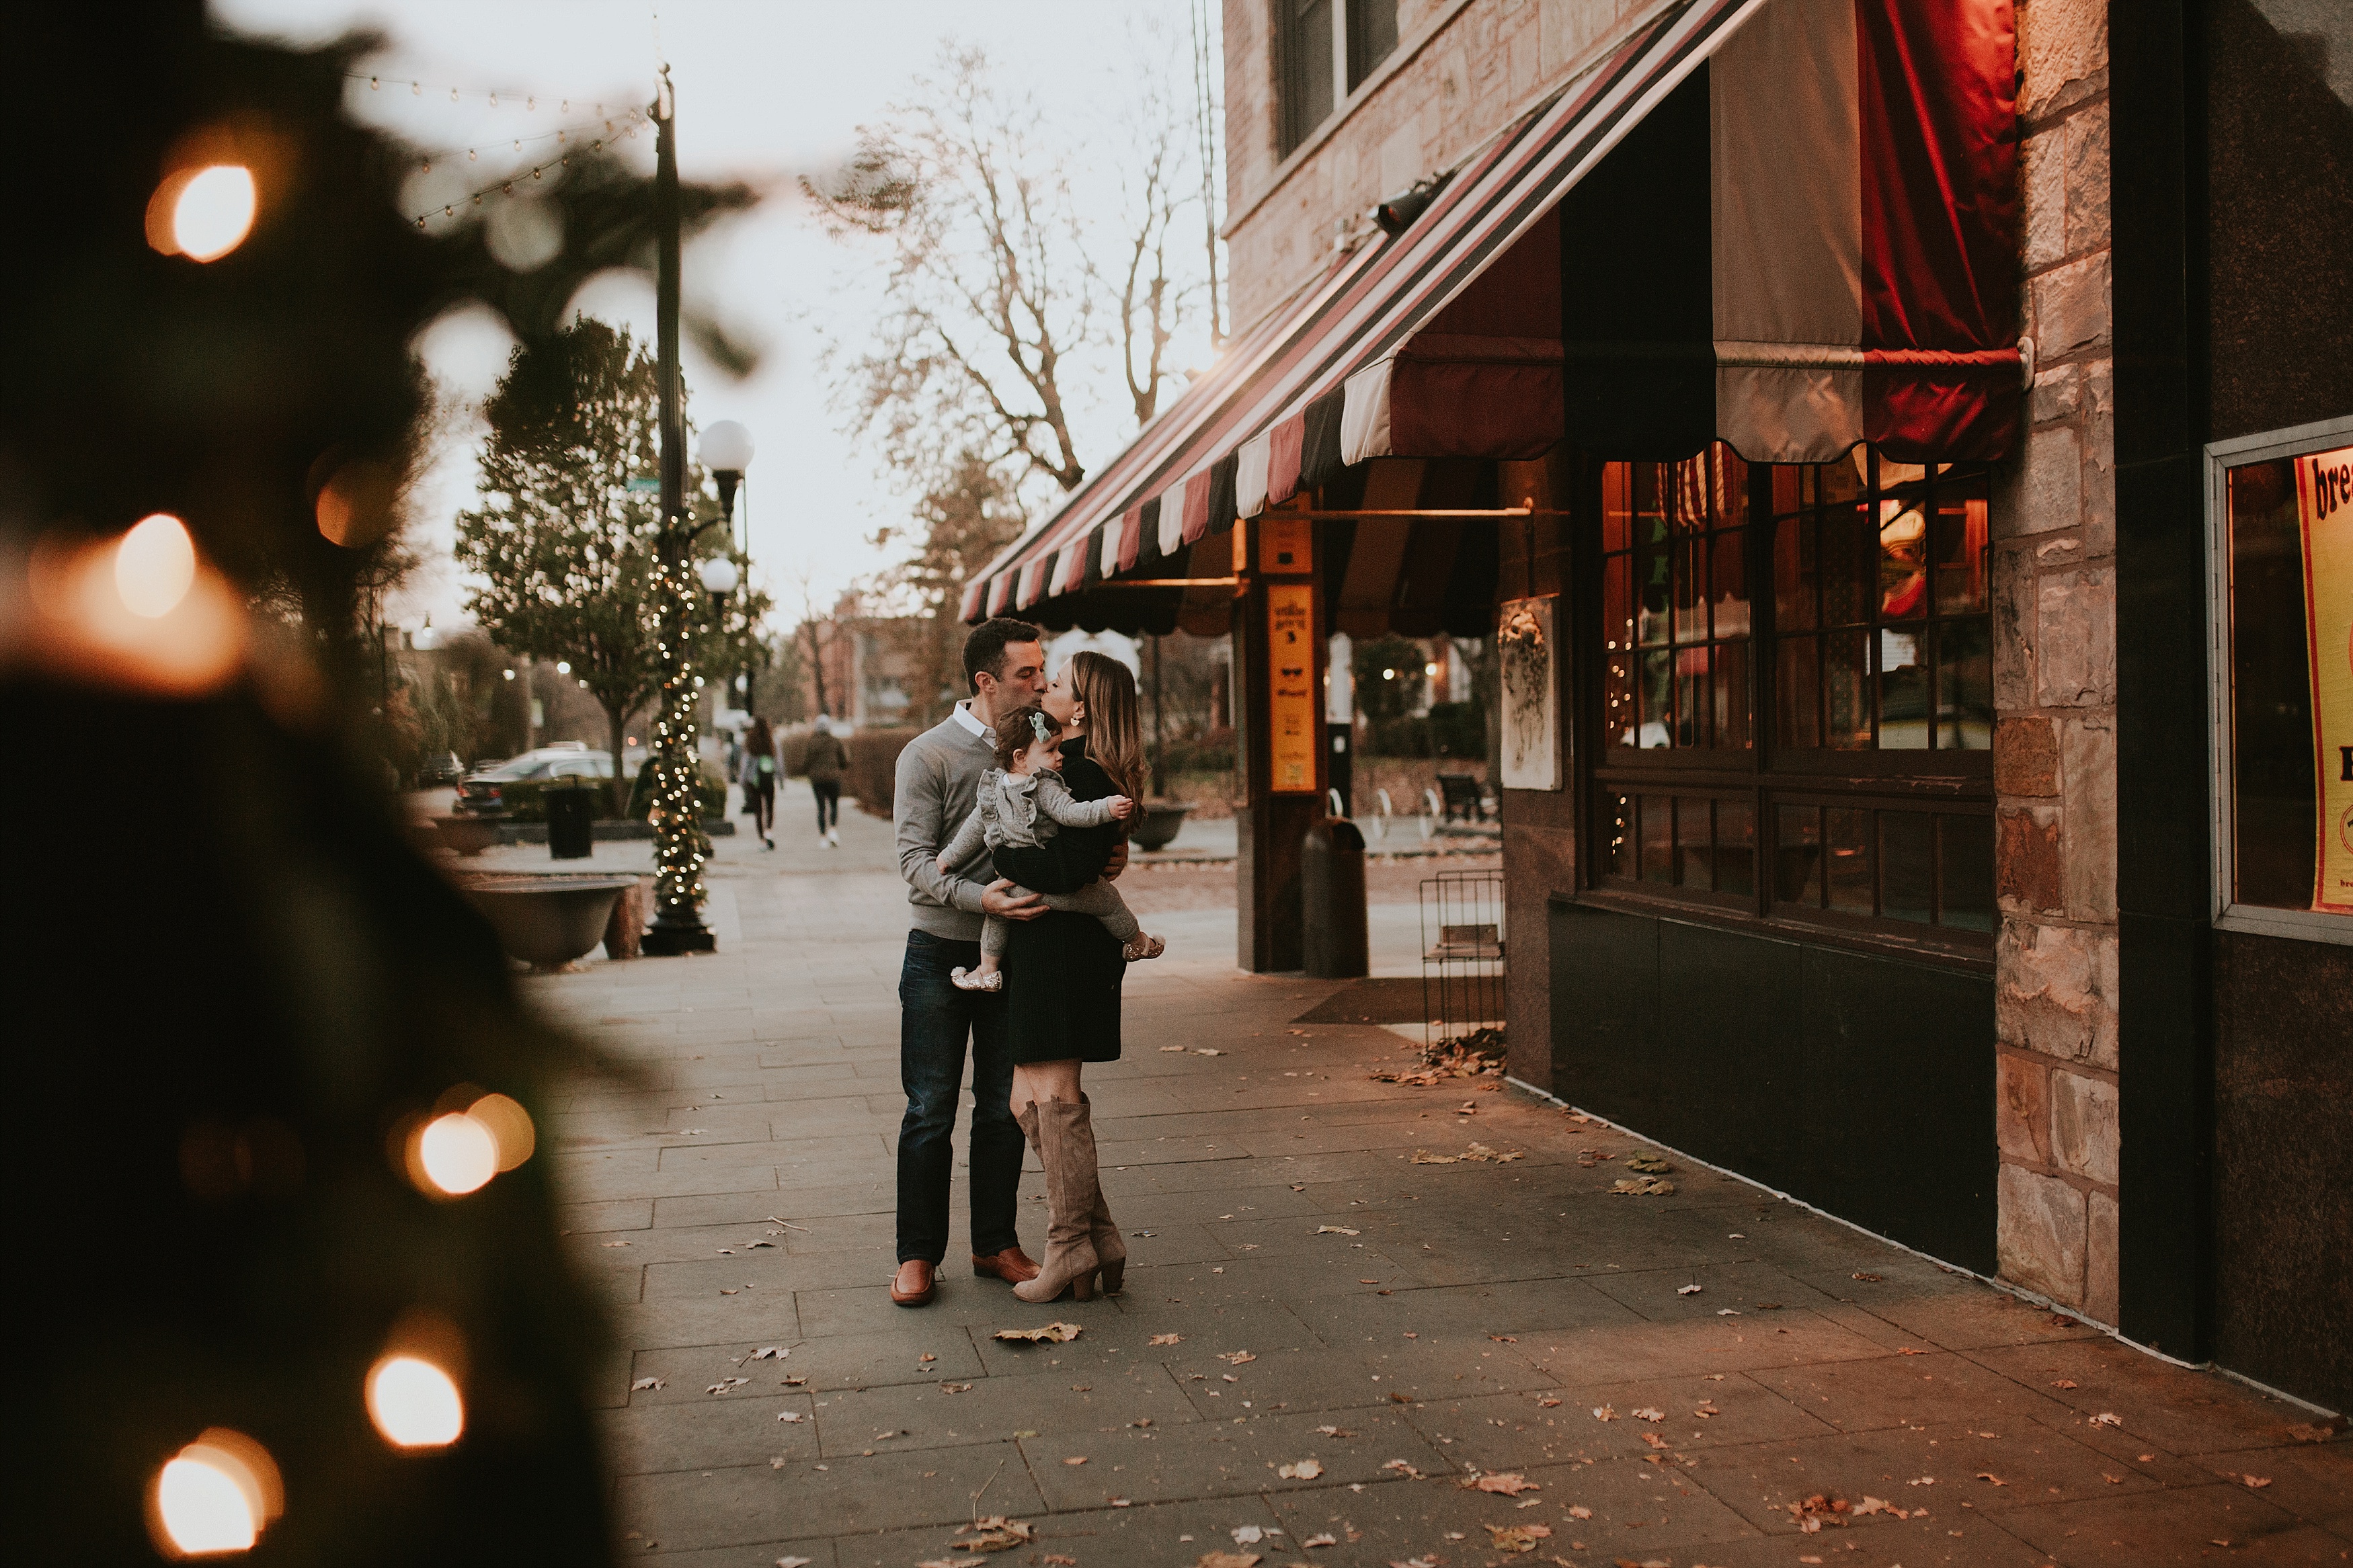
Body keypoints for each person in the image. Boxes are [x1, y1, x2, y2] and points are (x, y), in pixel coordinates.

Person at [886, 619, 1079, 1307]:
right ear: (985, 682)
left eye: (1042, 669)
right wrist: (980, 899)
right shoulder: (926, 756)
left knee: (1001, 1108)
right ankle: (916, 1256)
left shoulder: (1043, 747)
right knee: (930, 1109)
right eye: (1026, 673)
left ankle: (994, 1242)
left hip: (1017, 954)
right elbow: (913, 863)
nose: (1039, 684)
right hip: (938, 951)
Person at [991, 650, 1144, 1304]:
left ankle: (1068, 1245)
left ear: (1078, 708)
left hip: (1063, 953)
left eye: (1053, 684)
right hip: (1048, 947)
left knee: (1053, 1098)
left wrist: (1000, 853)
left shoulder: (1077, 771)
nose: (1041, 689)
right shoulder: (1069, 769)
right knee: (1026, 1102)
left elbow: (1071, 871)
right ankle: (1097, 1235)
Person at [934, 704, 1163, 993]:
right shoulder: (1043, 787)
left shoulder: (993, 788)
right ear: (1020, 757)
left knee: (997, 916)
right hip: (1051, 889)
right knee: (1107, 900)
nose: (1060, 756)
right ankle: (1136, 942)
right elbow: (1072, 813)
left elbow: (973, 828)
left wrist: (948, 858)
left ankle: (989, 972)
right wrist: (1107, 808)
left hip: (1013, 886)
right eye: (1051, 751)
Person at [805, 716, 848, 848]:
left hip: (817, 780)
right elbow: (844, 761)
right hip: (833, 778)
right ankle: (833, 830)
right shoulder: (835, 742)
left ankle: (823, 837)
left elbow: (807, 762)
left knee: (821, 807)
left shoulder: (811, 743)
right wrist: (839, 768)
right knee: (834, 805)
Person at [741, 716, 778, 850]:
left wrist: (743, 779)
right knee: (770, 808)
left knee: (758, 811)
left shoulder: (750, 741)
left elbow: (746, 762)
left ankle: (762, 839)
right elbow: (778, 761)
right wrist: (781, 778)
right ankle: (768, 832)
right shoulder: (771, 740)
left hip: (754, 781)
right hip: (768, 779)